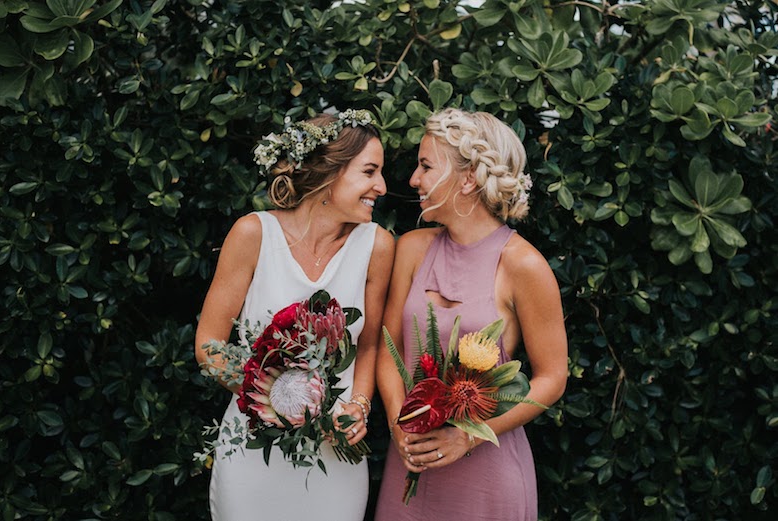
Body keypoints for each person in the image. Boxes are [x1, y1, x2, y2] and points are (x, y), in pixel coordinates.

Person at [195, 109, 395, 521]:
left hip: (335, 457)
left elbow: (370, 341)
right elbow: (209, 346)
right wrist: (284, 407)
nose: (382, 186)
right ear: (329, 172)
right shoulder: (253, 234)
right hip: (252, 453)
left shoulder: (377, 245)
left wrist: (358, 405)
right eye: (369, 172)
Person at [374, 108, 568, 520]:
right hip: (408, 466)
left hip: (487, 476)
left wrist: (467, 437)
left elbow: (552, 379)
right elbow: (386, 350)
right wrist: (399, 426)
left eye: (426, 166)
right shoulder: (411, 248)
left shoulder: (523, 265)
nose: (413, 179)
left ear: (467, 179)